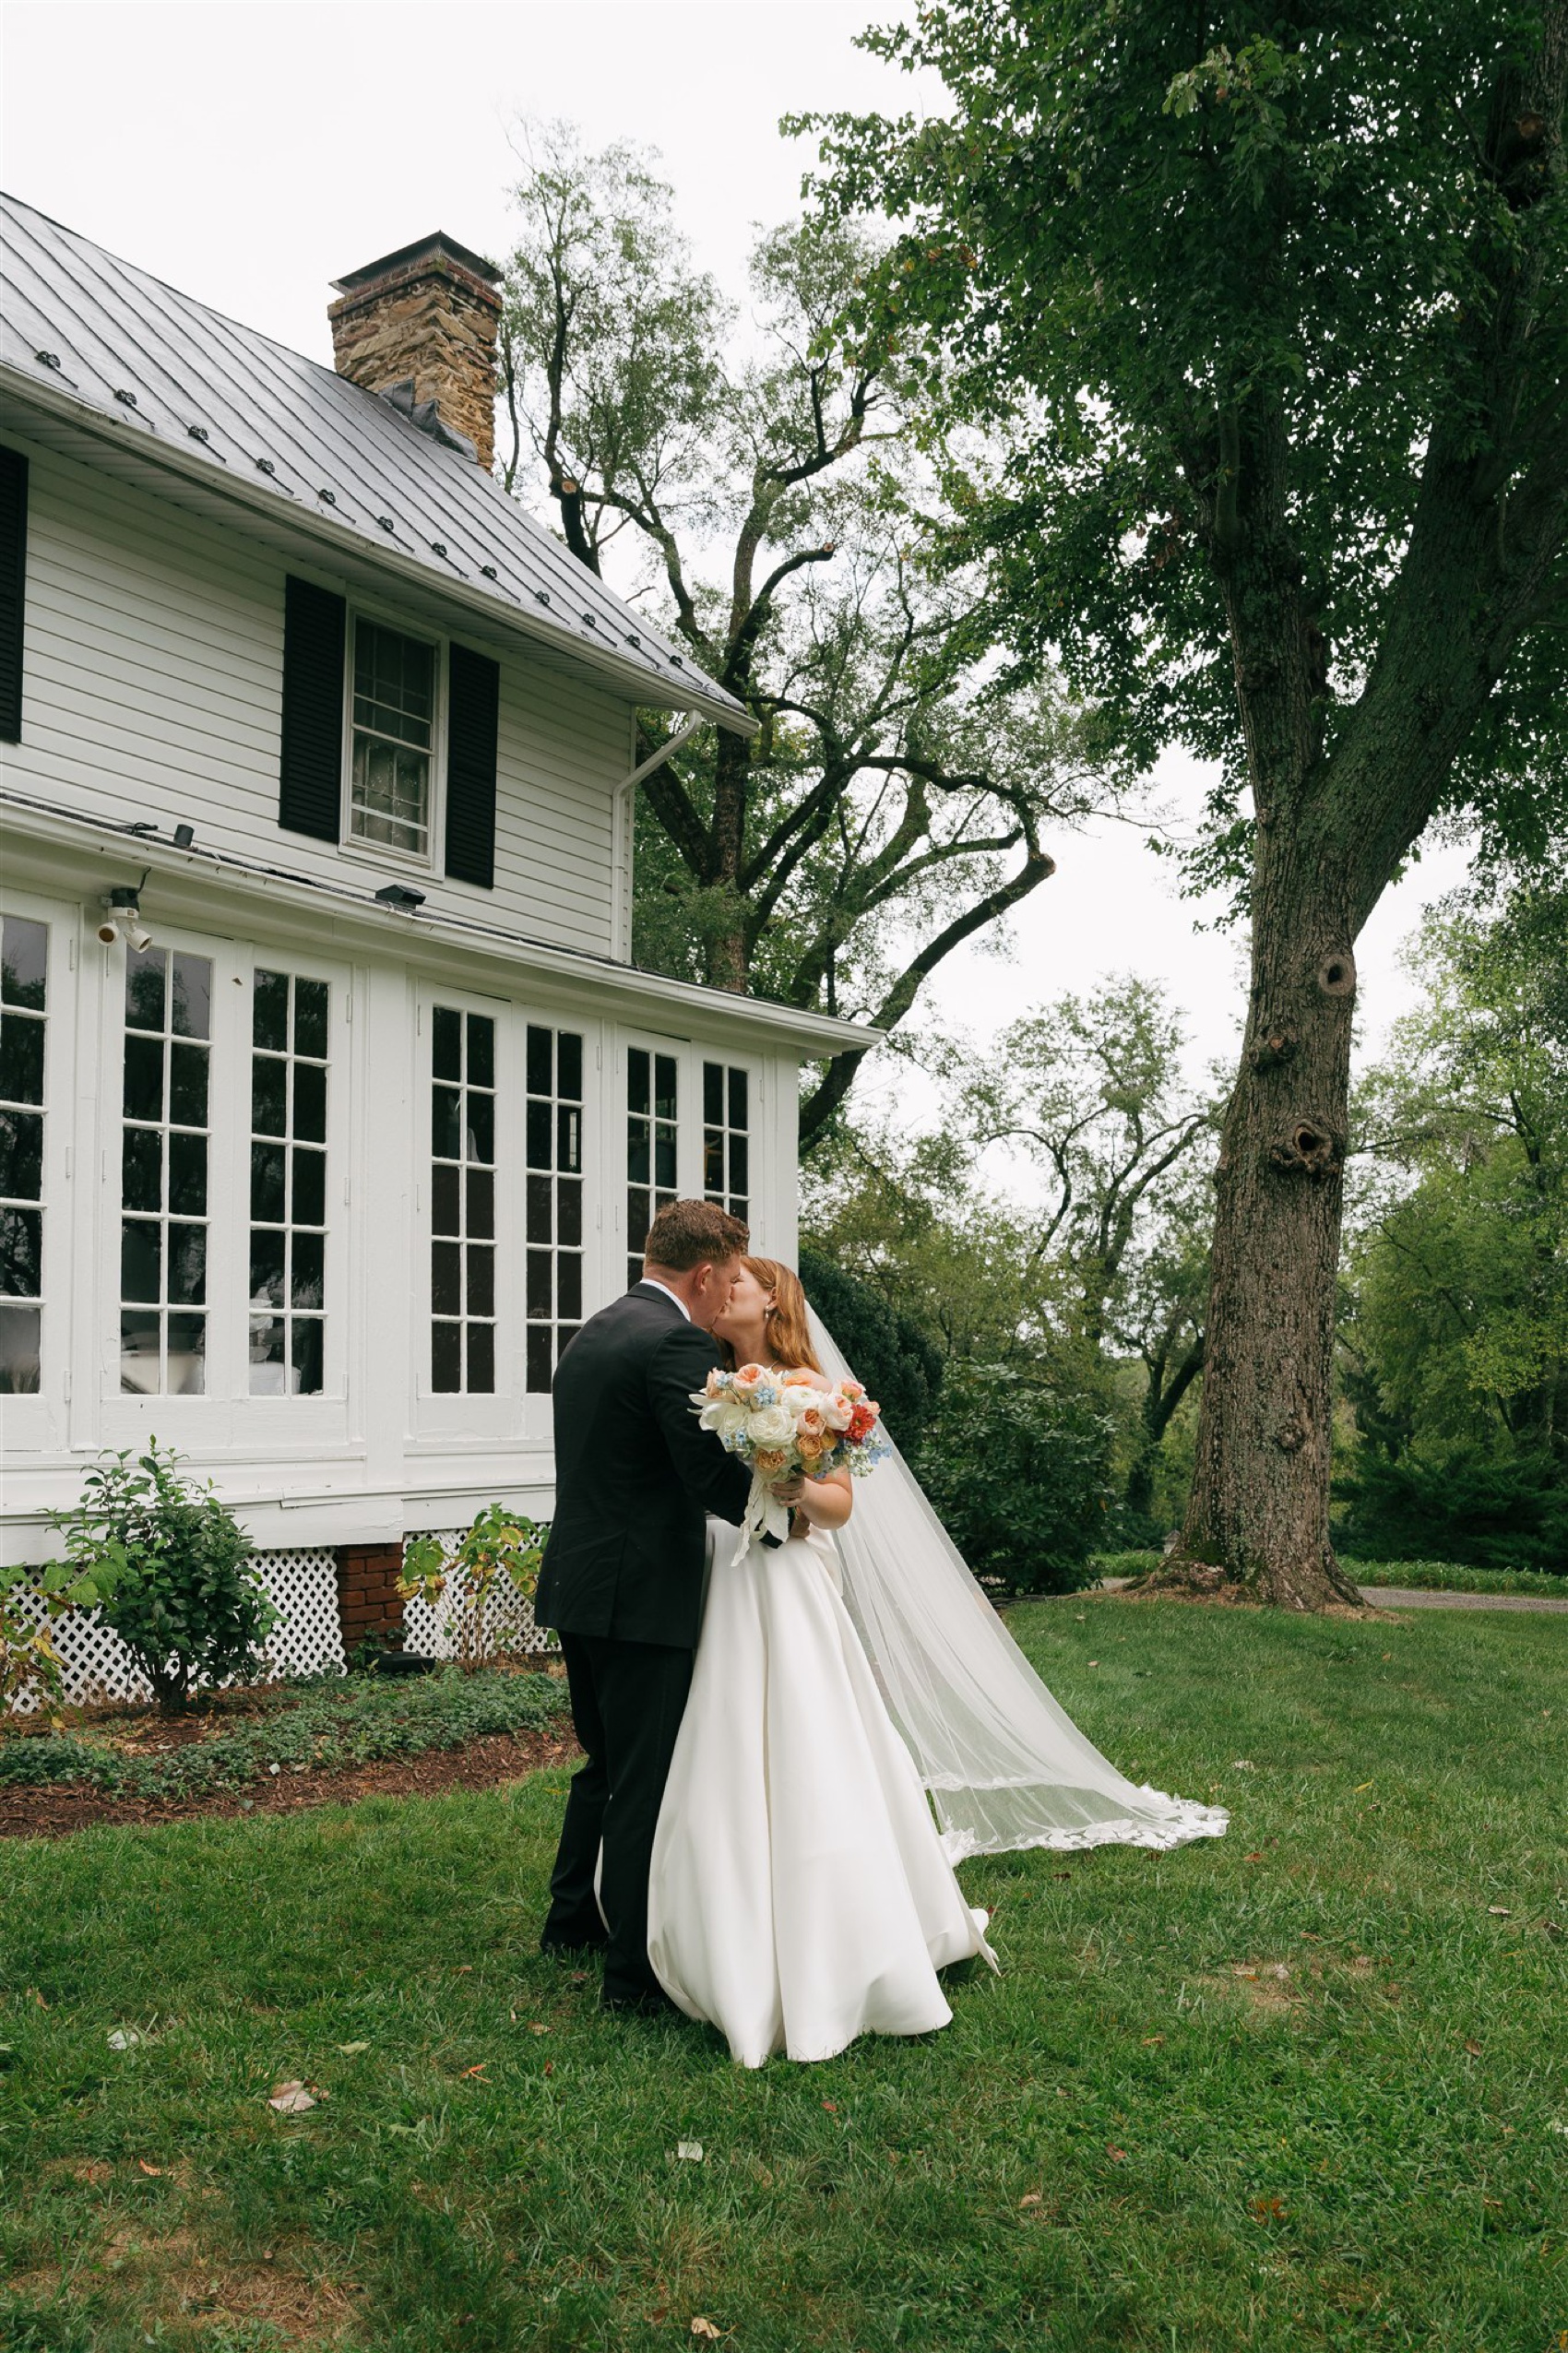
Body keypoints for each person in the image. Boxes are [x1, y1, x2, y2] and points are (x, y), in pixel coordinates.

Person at [647, 1257, 997, 2066]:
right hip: (723, 1575)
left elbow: (840, 1502)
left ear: (773, 1296)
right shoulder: (708, 1382)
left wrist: (789, 1481)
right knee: (726, 1737)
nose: (725, 1286)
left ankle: (841, 1941)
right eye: (721, 1276)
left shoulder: (815, 1387)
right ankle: (721, 1932)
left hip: (789, 1576)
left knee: (811, 1739)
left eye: (742, 1277)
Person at [534, 1198, 753, 2011]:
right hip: (639, 1595)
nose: (728, 1292)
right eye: (727, 1278)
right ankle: (631, 1977)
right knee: (644, 1782)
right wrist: (779, 1514)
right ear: (702, 1274)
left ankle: (571, 1923)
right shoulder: (675, 1339)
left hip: (580, 1585)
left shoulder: (595, 1329)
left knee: (602, 1766)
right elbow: (705, 1472)